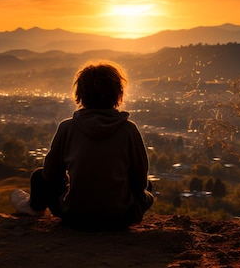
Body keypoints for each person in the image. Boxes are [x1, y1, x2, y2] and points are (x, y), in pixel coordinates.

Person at [10, 61, 154, 230]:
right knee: (149, 187)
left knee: (38, 176)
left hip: (73, 215)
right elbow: (140, 182)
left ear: (80, 94)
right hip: (121, 217)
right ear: (118, 94)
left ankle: (34, 207)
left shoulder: (67, 128)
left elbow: (50, 175)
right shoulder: (129, 130)